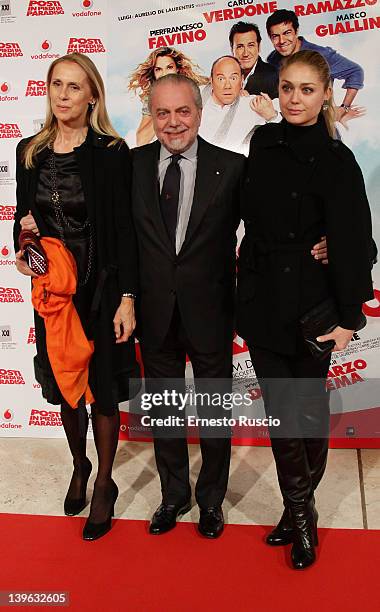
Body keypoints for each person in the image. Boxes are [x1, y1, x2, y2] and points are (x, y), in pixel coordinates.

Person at [237, 50, 374, 569]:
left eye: (307, 90)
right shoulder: (263, 142)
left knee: (309, 417)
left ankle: (298, 514)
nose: (294, 99)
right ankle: (302, 516)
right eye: (288, 88)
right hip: (262, 302)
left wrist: (347, 316)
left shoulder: (339, 160)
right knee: (283, 419)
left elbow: (359, 238)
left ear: (325, 96)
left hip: (313, 308)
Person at [14, 52, 139, 541]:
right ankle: (80, 465)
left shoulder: (112, 152)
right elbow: (23, 224)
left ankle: (105, 483)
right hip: (54, 293)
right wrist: (24, 252)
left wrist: (128, 297)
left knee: (103, 386)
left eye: (73, 87)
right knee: (66, 387)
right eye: (56, 85)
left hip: (102, 287)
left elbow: (125, 229)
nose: (63, 95)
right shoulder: (29, 151)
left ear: (92, 95)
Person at [131, 73, 246, 539]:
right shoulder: (132, 166)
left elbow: (267, 230)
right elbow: (117, 238)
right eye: (162, 112)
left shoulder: (233, 167)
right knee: (166, 411)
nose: (173, 123)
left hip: (212, 311)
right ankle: (173, 495)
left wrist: (321, 244)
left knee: (215, 411)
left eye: (183, 111)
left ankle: (211, 500)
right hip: (154, 311)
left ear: (199, 112)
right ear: (152, 116)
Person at [266, 9, 364, 122]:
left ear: (296, 32)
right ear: (270, 37)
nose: (281, 41)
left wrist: (344, 108)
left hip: (320, 125)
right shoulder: (272, 59)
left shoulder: (321, 54)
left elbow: (355, 71)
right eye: (275, 36)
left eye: (287, 33)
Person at [199, 55, 280, 156]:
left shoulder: (251, 104)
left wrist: (272, 116)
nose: (227, 86)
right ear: (211, 80)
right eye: (221, 79)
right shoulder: (194, 94)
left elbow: (285, 131)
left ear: (242, 80)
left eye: (233, 78)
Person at [128, 47, 209, 146]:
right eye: (158, 70)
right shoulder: (151, 98)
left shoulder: (195, 86)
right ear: (153, 74)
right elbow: (141, 140)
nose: (164, 74)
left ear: (177, 69)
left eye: (169, 67)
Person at [229, 21, 278, 99]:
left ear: (259, 47)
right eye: (240, 47)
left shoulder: (275, 76)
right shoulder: (225, 74)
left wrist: (249, 101)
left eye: (250, 45)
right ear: (232, 49)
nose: (245, 53)